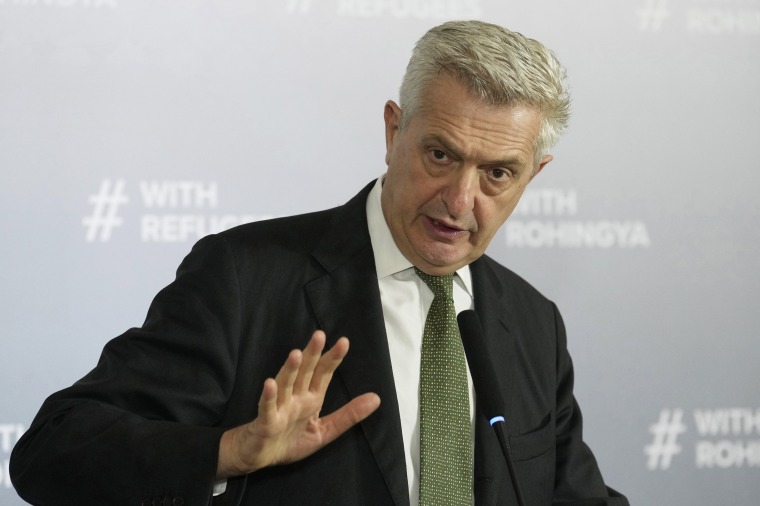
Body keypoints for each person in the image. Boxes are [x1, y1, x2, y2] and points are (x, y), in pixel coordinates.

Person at [11, 20, 629, 506]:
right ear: (394, 132)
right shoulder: (245, 278)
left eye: (498, 173)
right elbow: (51, 451)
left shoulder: (531, 323)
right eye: (440, 155)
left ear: (533, 175)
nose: (461, 200)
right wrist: (226, 451)